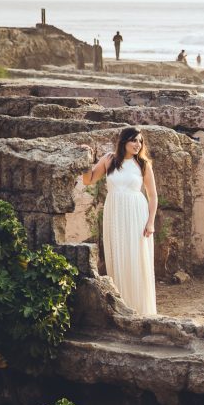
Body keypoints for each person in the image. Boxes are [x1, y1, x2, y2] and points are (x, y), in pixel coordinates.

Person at [81, 127, 158, 315]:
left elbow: (153, 196)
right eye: (134, 140)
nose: (137, 144)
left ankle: (141, 308)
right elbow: (88, 180)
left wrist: (150, 222)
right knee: (118, 254)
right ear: (123, 141)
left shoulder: (143, 164)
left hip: (136, 214)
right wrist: (84, 159)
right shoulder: (109, 160)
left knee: (135, 256)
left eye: (140, 141)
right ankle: (121, 306)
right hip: (114, 212)